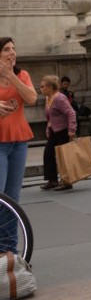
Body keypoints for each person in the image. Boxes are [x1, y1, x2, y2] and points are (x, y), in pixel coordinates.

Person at [0, 38, 37, 251]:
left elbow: (31, 98)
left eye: (14, 49)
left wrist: (10, 76)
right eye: (6, 49)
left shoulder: (21, 75)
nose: (12, 53)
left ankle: (10, 252)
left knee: (12, 200)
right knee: (0, 198)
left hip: (19, 142)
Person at [39, 75, 77, 190]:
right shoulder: (48, 98)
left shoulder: (59, 98)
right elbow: (50, 116)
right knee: (48, 153)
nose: (40, 88)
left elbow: (71, 113)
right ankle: (52, 180)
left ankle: (67, 181)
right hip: (53, 131)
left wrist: (71, 130)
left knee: (63, 156)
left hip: (63, 131)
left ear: (50, 87)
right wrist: (48, 127)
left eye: (42, 86)